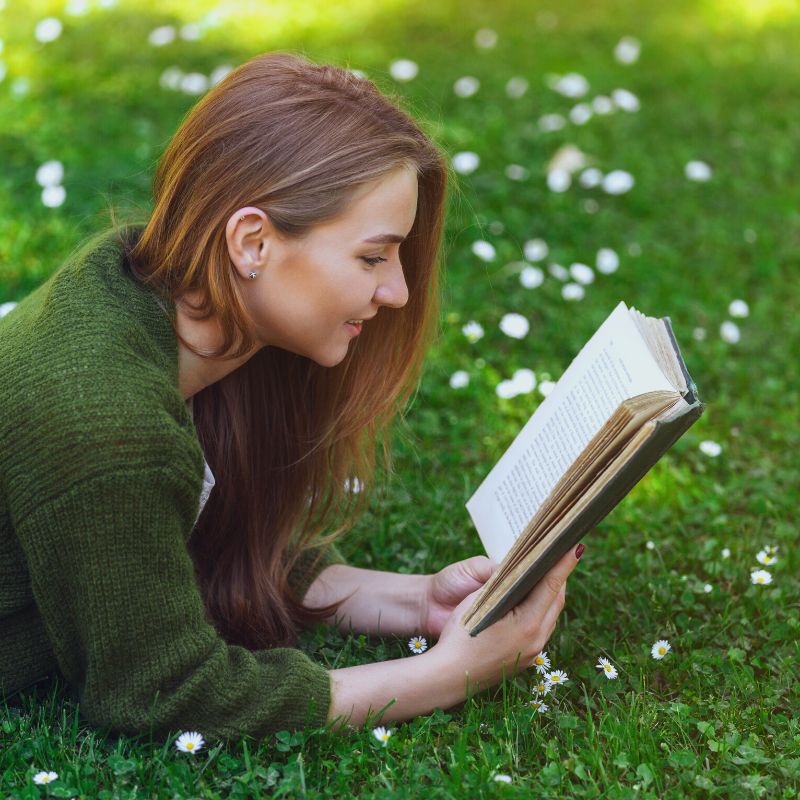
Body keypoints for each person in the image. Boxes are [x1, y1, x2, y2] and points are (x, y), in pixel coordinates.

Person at [0, 51, 583, 743]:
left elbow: (178, 548)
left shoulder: (147, 289)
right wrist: (445, 673)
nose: (396, 292)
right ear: (252, 242)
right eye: (373, 257)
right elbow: (164, 694)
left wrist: (415, 598)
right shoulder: (109, 422)